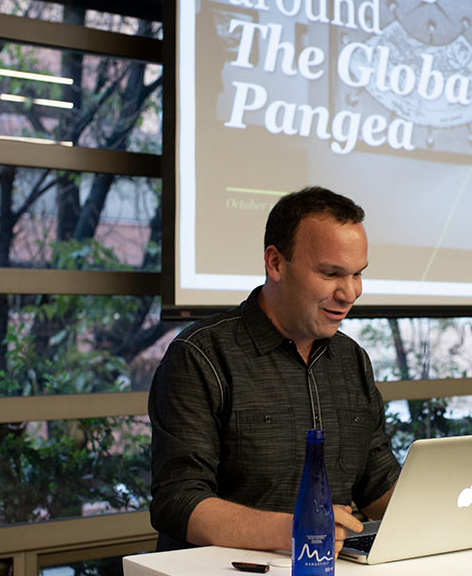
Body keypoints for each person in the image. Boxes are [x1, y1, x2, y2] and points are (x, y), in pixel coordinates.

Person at [148, 186, 400, 552]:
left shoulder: (352, 360)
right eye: (331, 273)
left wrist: (450, 510)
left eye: (357, 274)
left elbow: (376, 485)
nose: (349, 293)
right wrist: (292, 529)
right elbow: (177, 500)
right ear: (276, 263)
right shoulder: (200, 355)